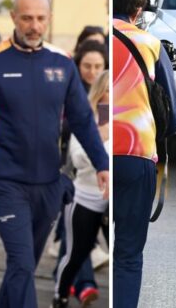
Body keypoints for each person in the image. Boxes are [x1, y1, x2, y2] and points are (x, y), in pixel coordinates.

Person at [0, 0, 108, 308]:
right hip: (6, 182)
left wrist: (102, 164)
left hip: (48, 184)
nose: (33, 25)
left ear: (49, 20)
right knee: (22, 264)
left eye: (40, 18)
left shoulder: (62, 64)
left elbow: (83, 119)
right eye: (27, 18)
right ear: (14, 18)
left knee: (23, 265)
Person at [112, 0, 176, 308]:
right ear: (138, 9)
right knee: (127, 253)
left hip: (93, 156)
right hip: (134, 153)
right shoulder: (150, 44)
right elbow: (173, 115)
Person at [53, 72, 110, 308]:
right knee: (76, 253)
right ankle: (61, 297)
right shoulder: (86, 119)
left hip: (112, 199)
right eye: (107, 91)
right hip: (84, 196)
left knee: (120, 254)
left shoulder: (125, 119)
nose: (111, 97)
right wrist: (99, 139)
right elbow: (76, 158)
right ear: (99, 92)